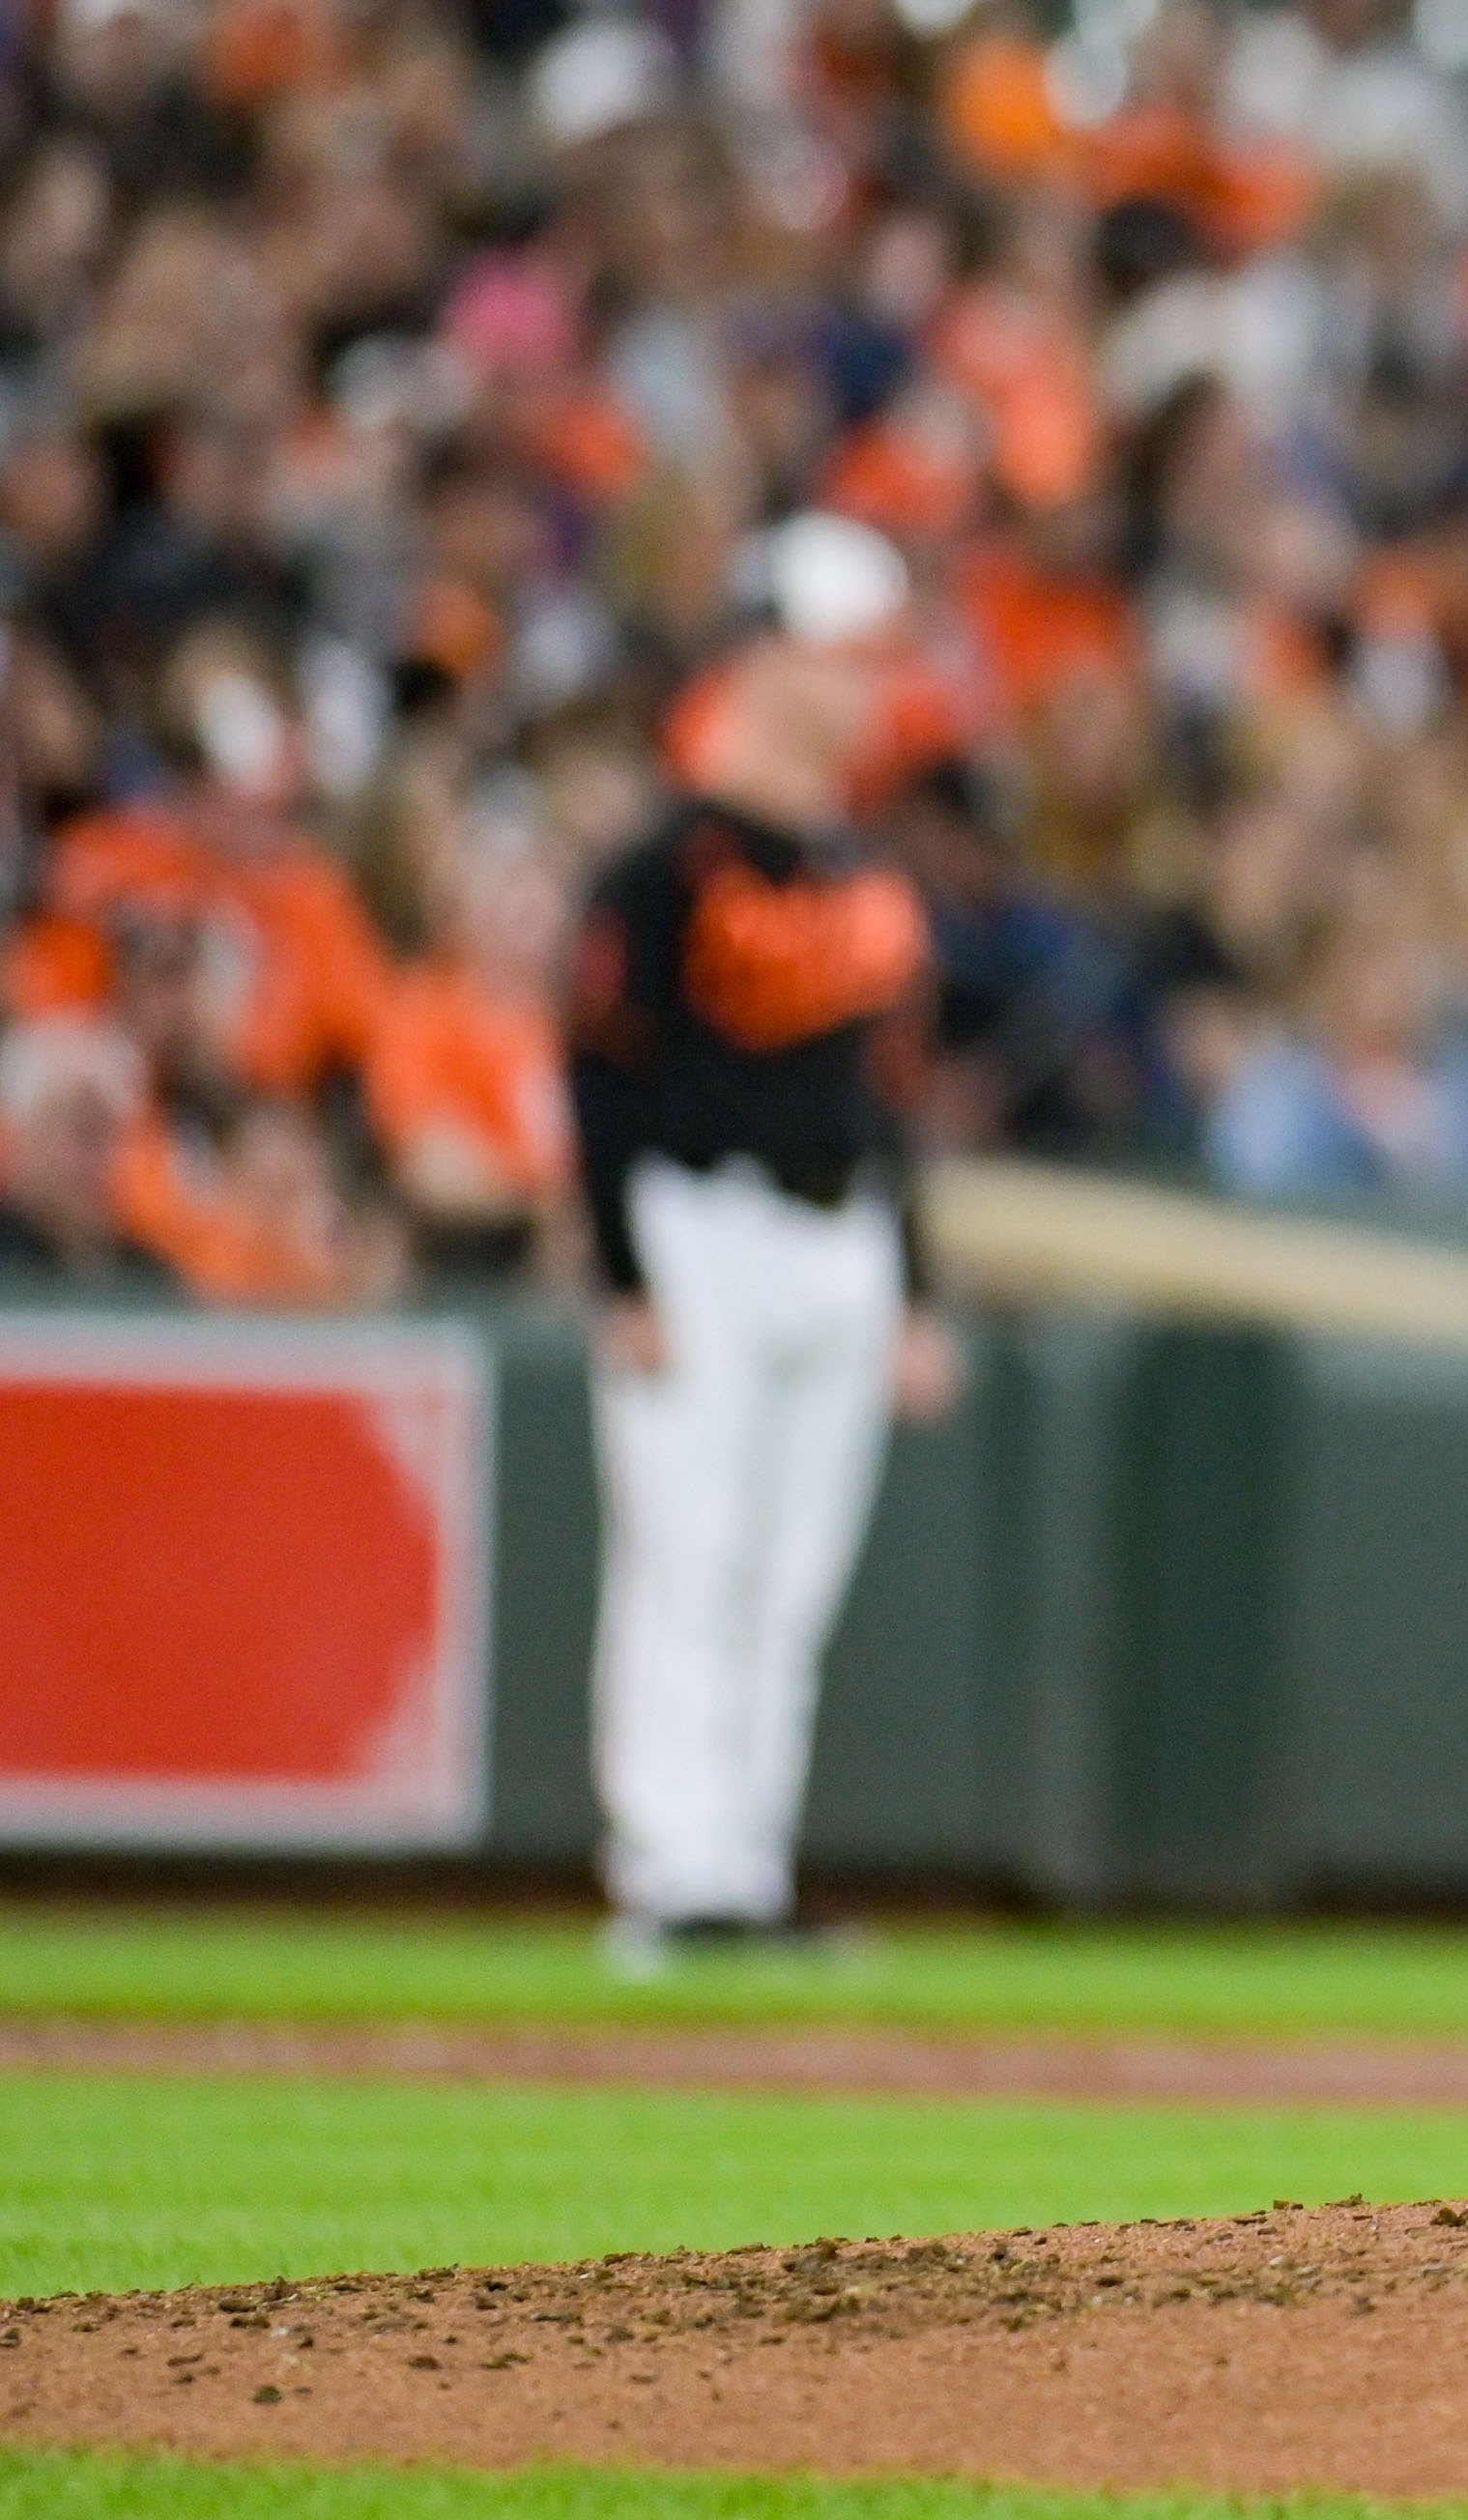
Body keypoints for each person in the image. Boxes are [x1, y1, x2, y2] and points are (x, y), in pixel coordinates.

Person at [566, 514, 961, 1971]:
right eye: (843, 653)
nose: (867, 685)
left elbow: (895, 1093)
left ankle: (749, 1858)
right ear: (768, 654)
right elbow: (600, 1070)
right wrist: (621, 1269)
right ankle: (674, 1872)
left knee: (789, 1577)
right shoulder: (665, 861)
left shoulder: (866, 866)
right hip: (700, 1221)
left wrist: (914, 1286)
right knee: (693, 1551)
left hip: (838, 1232)